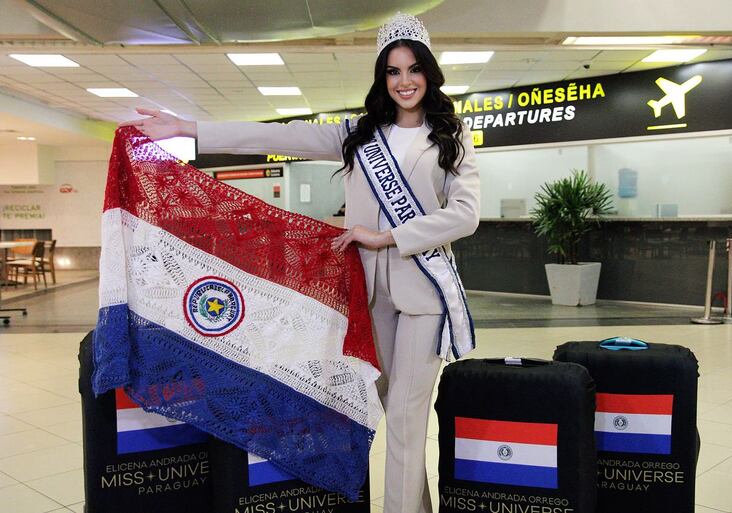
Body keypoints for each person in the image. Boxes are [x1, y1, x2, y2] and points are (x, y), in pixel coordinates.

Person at [122, 12, 480, 513]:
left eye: (413, 69)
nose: (404, 82)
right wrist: (189, 128)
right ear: (382, 77)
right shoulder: (358, 134)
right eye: (393, 71)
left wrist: (387, 237)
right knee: (383, 414)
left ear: (429, 74)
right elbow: (277, 136)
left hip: (423, 296)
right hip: (365, 296)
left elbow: (465, 214)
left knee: (405, 418)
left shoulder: (450, 136)